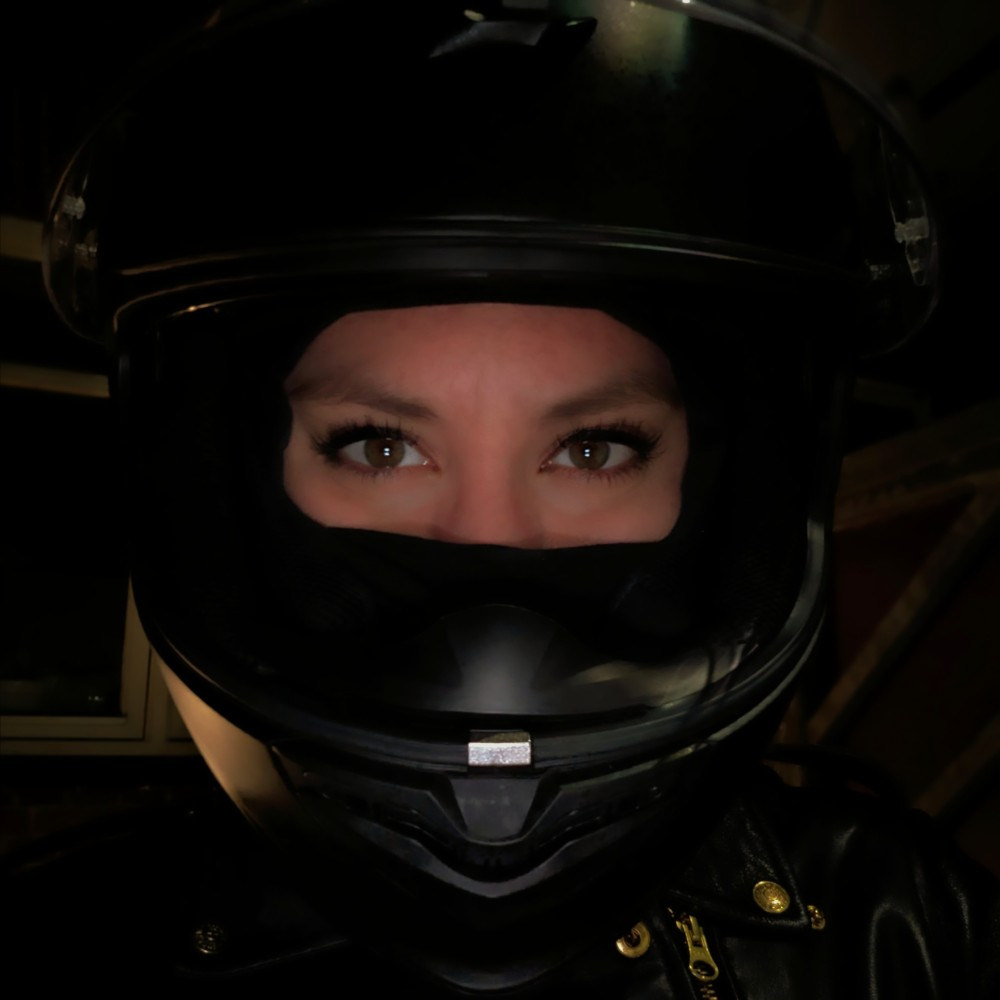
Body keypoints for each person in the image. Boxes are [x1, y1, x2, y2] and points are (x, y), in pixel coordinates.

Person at [9, 0, 997, 994]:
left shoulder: (902, 923)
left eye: (593, 449)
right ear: (228, 496)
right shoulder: (64, 939)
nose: (490, 550)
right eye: (381, 446)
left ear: (725, 501)